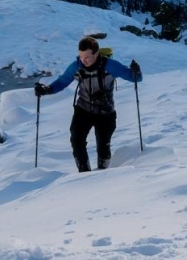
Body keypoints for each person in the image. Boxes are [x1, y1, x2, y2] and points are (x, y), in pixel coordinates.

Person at [35, 36, 143, 172]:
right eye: (80, 56)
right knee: (76, 140)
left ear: (96, 54)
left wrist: (136, 71)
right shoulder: (76, 66)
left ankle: (104, 174)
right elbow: (62, 82)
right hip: (83, 110)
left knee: (103, 147)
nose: (83, 60)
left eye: (87, 57)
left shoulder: (110, 66)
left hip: (105, 112)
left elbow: (136, 78)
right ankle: (84, 174)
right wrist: (46, 90)